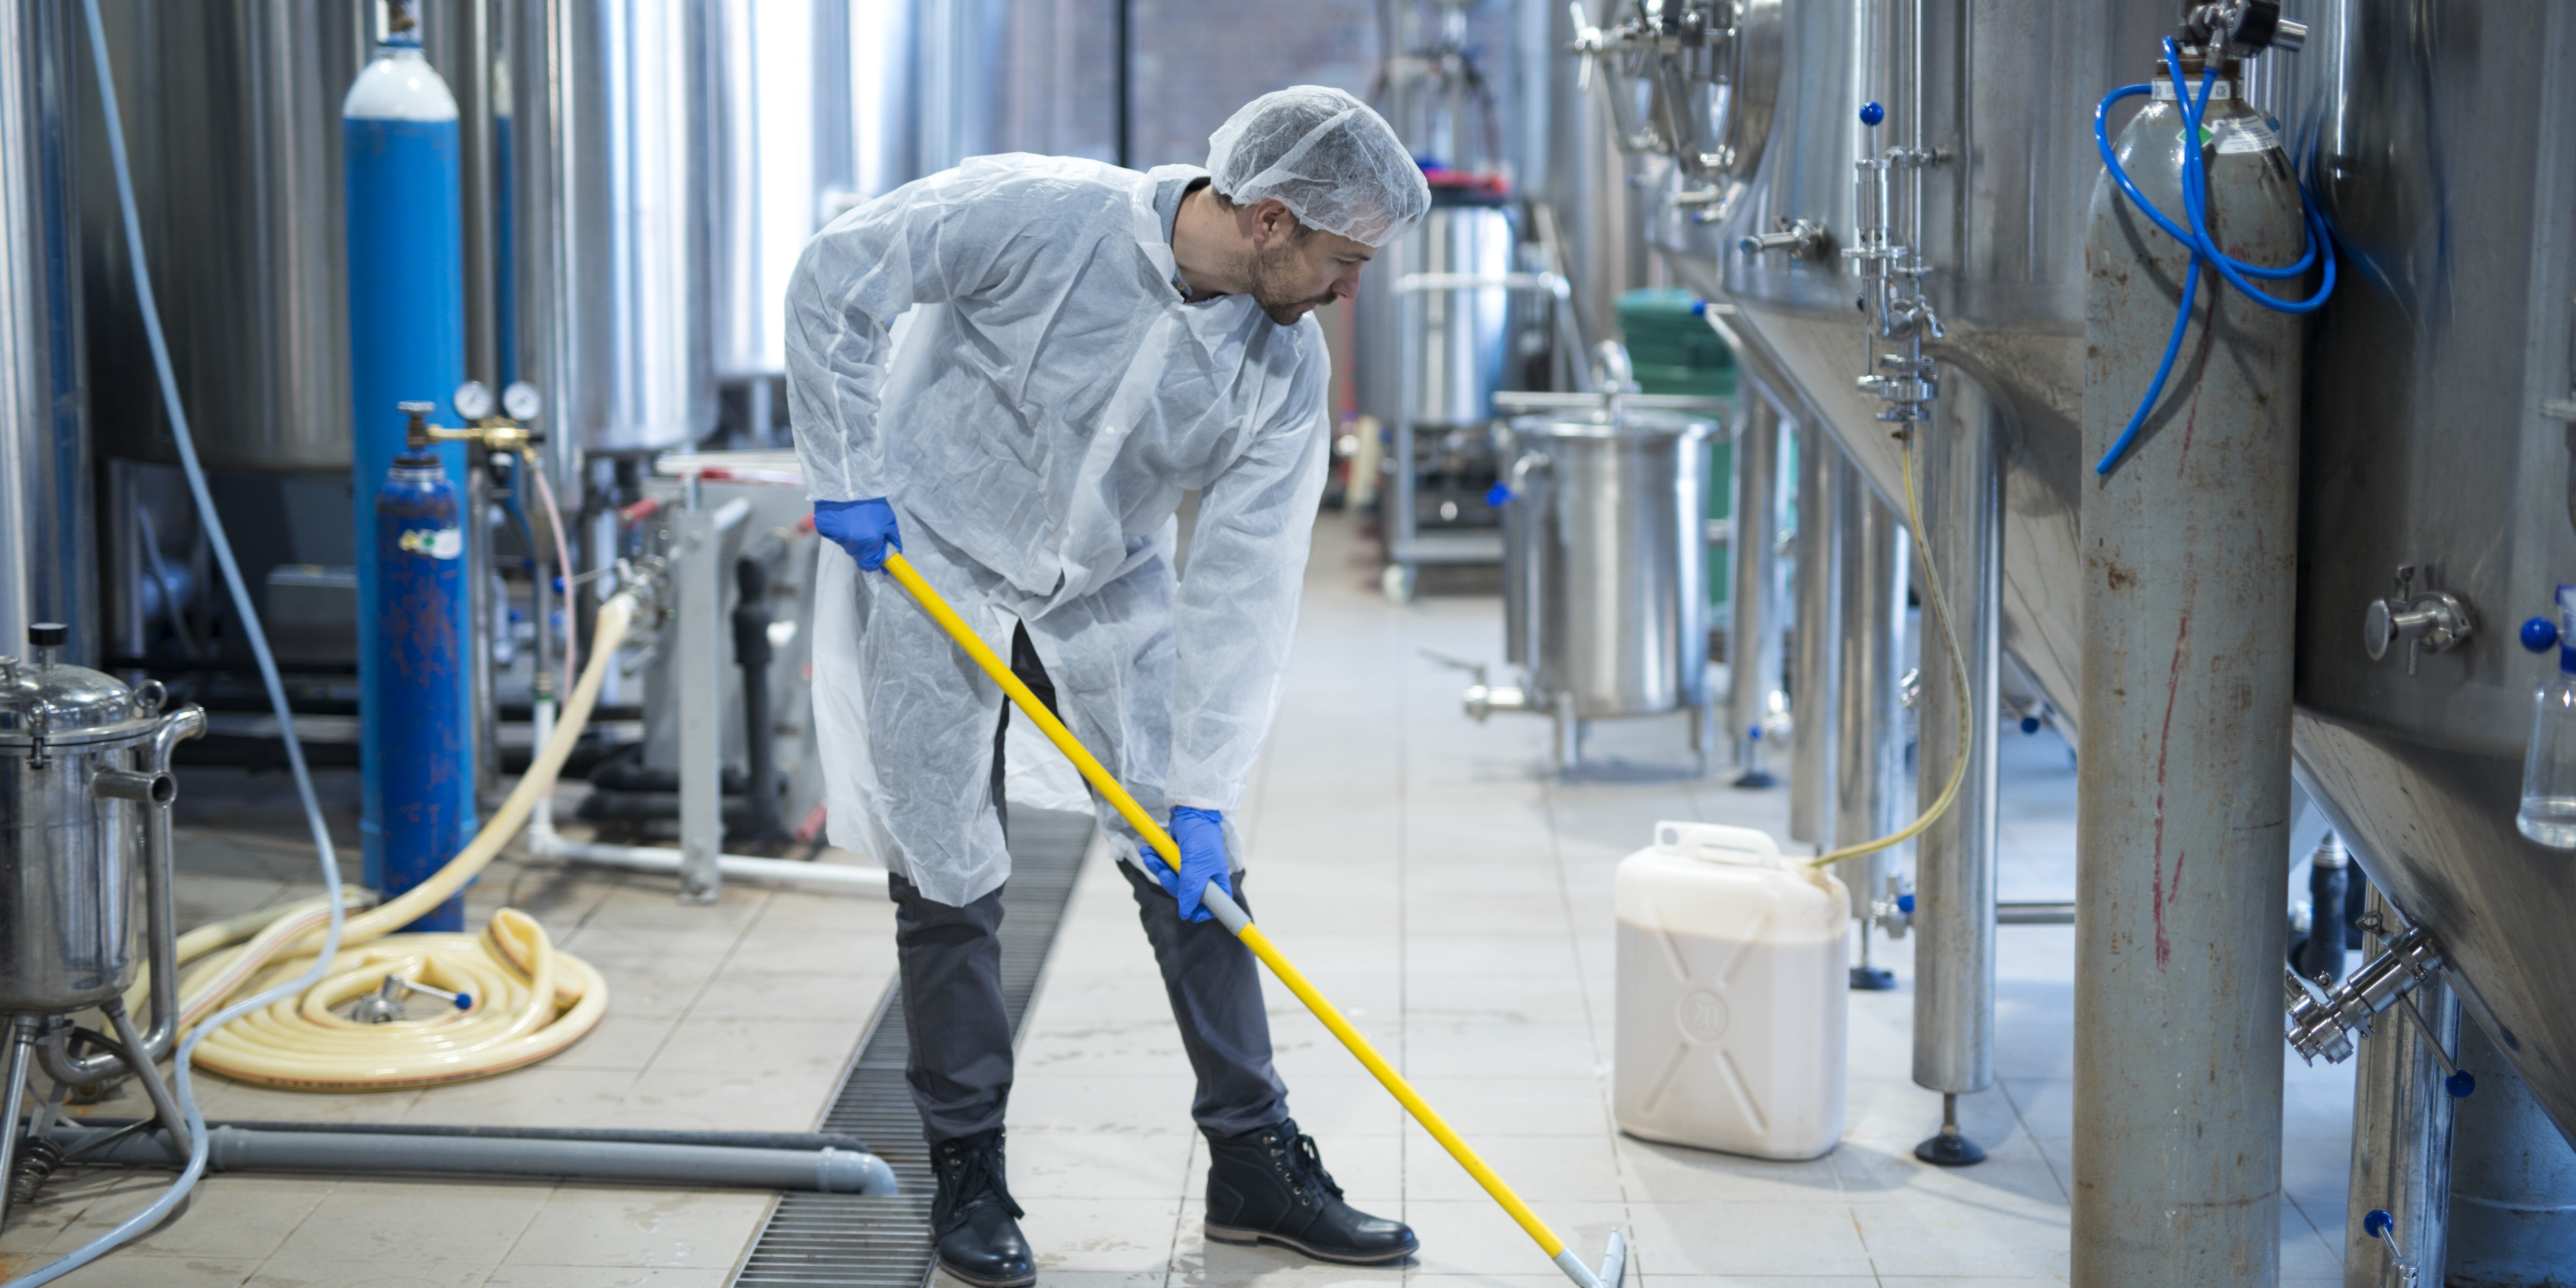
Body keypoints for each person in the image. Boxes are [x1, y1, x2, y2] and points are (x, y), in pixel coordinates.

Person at [786, 87, 1430, 1288]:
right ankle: (968, 1171)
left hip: (1100, 591)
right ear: (1274, 220)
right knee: (947, 876)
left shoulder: (1284, 369)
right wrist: (847, 471)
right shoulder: (1034, 214)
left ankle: (1254, 1163)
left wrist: (1206, 787)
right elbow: (840, 277)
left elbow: (1246, 588)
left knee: (1198, 875)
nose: (1351, 291)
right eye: (1346, 261)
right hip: (935, 556)